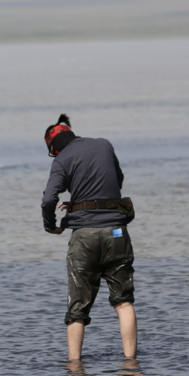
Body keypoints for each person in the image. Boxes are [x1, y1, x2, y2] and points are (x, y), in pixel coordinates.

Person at [41, 114, 138, 361]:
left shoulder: (62, 160)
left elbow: (49, 200)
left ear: (54, 147)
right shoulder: (104, 144)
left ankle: (74, 371)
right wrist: (83, 201)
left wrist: (51, 226)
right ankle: (130, 367)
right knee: (124, 303)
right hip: (117, 233)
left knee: (77, 310)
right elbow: (119, 180)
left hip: (84, 239)